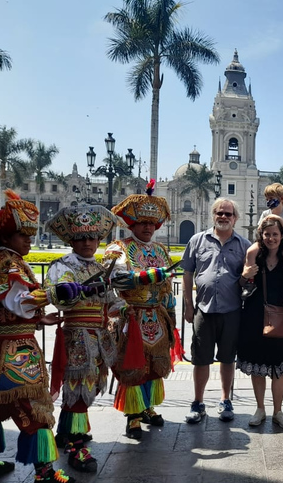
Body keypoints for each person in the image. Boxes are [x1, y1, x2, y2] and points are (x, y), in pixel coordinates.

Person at [0, 190, 90, 483]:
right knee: (35, 409)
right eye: (23, 235)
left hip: (7, 343)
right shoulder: (8, 265)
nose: (29, 240)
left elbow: (14, 306)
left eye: (30, 235)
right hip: (15, 352)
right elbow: (20, 299)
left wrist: (38, 318)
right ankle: (44, 472)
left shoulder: (7, 261)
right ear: (7, 238)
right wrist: (56, 292)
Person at [43, 204, 125, 473]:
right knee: (79, 387)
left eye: (92, 237)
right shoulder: (62, 266)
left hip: (99, 336)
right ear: (72, 240)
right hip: (77, 336)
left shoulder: (102, 265)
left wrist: (127, 307)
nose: (88, 242)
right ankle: (77, 447)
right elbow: (58, 294)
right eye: (81, 238)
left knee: (84, 387)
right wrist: (84, 290)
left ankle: (67, 432)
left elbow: (110, 302)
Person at [104, 180, 178, 440]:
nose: (148, 228)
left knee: (155, 364)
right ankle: (132, 414)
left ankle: (148, 406)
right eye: (142, 224)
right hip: (131, 315)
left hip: (157, 315)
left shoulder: (160, 249)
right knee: (132, 364)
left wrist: (172, 313)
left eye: (152, 224)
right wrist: (144, 277)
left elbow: (167, 284)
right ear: (131, 224)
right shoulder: (119, 249)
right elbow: (113, 279)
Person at [181, 198, 251, 424]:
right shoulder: (197, 240)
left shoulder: (243, 245)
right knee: (200, 359)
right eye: (219, 213)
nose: (223, 217)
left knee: (227, 358)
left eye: (228, 214)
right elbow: (187, 274)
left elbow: (247, 280)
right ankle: (198, 402)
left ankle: (225, 400)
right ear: (213, 215)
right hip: (203, 309)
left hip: (232, 310)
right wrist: (188, 305)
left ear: (235, 218)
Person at [237, 217, 283, 429]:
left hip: (280, 317)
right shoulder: (254, 254)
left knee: (280, 368)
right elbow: (243, 287)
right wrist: (244, 276)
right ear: (261, 236)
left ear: (282, 236)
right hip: (255, 317)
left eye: (275, 234)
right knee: (258, 367)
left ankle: (277, 411)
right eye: (267, 234)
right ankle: (260, 409)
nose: (271, 238)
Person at [241, 183, 283, 303]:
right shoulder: (265, 213)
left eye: (271, 199)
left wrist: (278, 219)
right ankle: (250, 282)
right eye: (267, 199)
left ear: (281, 199)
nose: (268, 201)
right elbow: (259, 229)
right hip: (264, 241)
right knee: (250, 251)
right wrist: (265, 221)